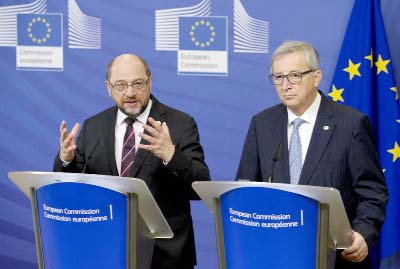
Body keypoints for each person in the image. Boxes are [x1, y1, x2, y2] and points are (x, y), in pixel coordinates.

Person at [236, 40, 388, 269]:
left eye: (294, 76)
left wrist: (362, 235)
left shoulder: (351, 124)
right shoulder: (262, 124)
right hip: (276, 255)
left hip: (335, 258)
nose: (285, 85)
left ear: (316, 77)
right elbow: (246, 188)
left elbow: (372, 193)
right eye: (278, 77)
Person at [54, 53, 210, 269]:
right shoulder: (94, 127)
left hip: (166, 256)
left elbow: (200, 187)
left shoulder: (180, 124)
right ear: (108, 87)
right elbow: (72, 190)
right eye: (121, 85)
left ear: (150, 82)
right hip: (105, 250)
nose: (130, 92)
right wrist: (66, 160)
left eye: (137, 83)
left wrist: (171, 155)